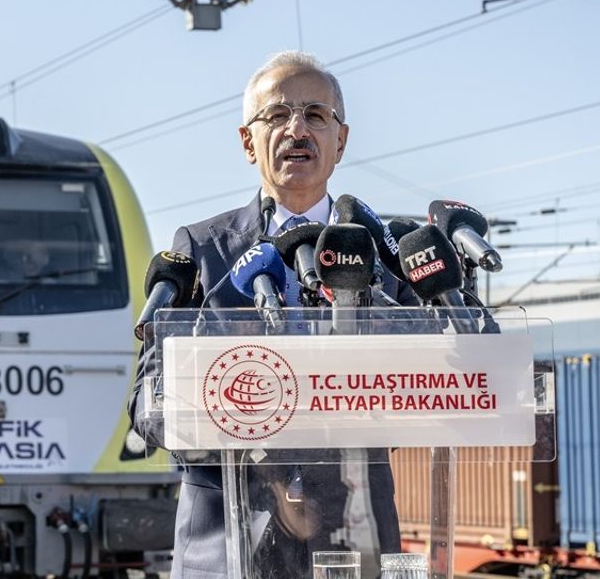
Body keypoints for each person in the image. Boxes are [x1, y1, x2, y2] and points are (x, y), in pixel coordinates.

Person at [130, 51, 417, 579]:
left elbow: (430, 384)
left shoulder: (385, 251)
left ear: (341, 140)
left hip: (356, 541)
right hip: (226, 547)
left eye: (315, 114)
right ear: (248, 142)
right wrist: (258, 451)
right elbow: (149, 404)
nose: (296, 129)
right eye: (277, 115)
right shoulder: (201, 250)